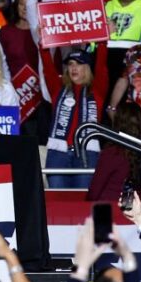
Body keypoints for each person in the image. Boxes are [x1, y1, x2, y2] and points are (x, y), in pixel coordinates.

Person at [42, 47, 109, 188]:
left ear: (87, 68)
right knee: (59, 201)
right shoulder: (58, 89)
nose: (73, 68)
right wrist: (43, 48)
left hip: (87, 154)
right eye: (70, 64)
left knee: (82, 201)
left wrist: (103, 41)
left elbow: (101, 65)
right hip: (58, 155)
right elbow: (48, 69)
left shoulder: (97, 90)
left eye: (78, 64)